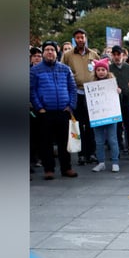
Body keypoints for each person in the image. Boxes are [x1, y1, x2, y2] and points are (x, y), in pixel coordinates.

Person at [30, 40, 78, 180]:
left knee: (64, 142)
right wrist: (39, 108)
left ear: (57, 52)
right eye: (47, 49)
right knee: (46, 142)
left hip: (63, 111)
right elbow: (32, 91)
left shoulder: (64, 69)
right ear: (43, 52)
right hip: (46, 112)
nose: (50, 52)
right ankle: (49, 169)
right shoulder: (35, 70)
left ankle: (66, 168)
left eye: (52, 49)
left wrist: (71, 106)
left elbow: (72, 88)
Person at [61, 28, 101, 165]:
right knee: (79, 125)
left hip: (92, 94)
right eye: (77, 38)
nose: (80, 40)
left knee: (91, 125)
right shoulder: (68, 56)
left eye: (82, 37)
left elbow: (101, 72)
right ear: (74, 40)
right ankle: (81, 154)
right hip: (76, 93)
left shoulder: (94, 55)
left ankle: (92, 153)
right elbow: (62, 73)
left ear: (86, 38)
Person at [88, 58, 122, 173]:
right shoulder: (91, 86)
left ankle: (115, 162)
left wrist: (118, 92)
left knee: (112, 139)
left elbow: (118, 100)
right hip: (98, 117)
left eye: (103, 69)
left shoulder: (112, 83)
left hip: (111, 116)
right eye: (99, 70)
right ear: (95, 71)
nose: (101, 72)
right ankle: (101, 162)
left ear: (107, 71)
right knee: (99, 141)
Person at [108, 45, 129, 160]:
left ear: (123, 55)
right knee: (116, 127)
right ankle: (118, 149)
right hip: (114, 101)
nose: (116, 57)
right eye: (114, 54)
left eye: (119, 54)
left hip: (128, 100)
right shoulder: (109, 68)